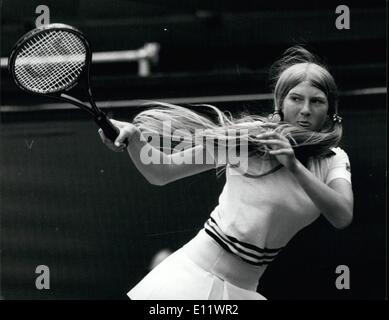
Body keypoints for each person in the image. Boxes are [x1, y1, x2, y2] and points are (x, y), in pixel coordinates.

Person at [98, 46, 353, 300]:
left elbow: (342, 215)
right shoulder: (250, 139)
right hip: (192, 278)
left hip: (243, 291)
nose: (306, 109)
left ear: (331, 111)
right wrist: (133, 139)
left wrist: (294, 166)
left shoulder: (334, 159)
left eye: (317, 101)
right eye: (296, 98)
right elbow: (161, 172)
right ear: (281, 104)